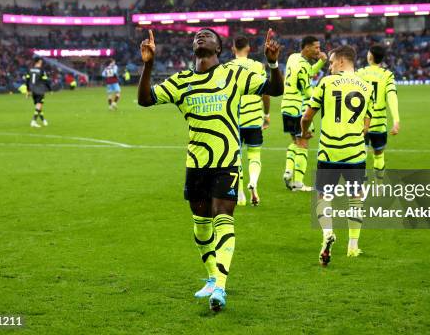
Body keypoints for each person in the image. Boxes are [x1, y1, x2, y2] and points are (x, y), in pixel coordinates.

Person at [137, 28, 284, 312]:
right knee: (201, 225)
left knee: (223, 217)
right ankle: (212, 276)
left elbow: (275, 89)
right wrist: (148, 64)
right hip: (196, 164)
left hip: (227, 161)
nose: (200, 37)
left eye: (208, 35)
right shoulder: (182, 81)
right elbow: (145, 99)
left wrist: (273, 64)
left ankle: (221, 287)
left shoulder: (234, 74)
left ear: (219, 48)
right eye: (196, 36)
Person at [301, 45, 373, 265]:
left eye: (331, 62)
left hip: (329, 151)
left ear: (341, 61)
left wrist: (305, 132)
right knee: (356, 197)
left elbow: (307, 117)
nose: (329, 66)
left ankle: (327, 234)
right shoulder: (366, 86)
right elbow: (366, 124)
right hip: (355, 152)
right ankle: (353, 246)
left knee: (324, 197)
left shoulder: (326, 83)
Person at [281, 36, 327, 191]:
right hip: (298, 108)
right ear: (306, 47)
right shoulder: (303, 65)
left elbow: (307, 73)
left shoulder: (293, 58)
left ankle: (288, 170)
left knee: (295, 142)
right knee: (303, 143)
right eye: (316, 48)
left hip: (286, 106)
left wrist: (321, 62)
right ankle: (299, 183)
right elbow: (308, 92)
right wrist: (323, 96)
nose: (318, 51)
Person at [229, 35, 271, 206]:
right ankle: (253, 181)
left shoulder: (227, 67)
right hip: (254, 117)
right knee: (254, 155)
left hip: (235, 119)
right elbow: (265, 91)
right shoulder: (257, 66)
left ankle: (239, 194)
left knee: (235, 157)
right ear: (248, 49)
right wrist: (266, 115)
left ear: (233, 49)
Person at [356, 44, 399, 183]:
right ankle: (379, 185)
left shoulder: (360, 73)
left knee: (360, 154)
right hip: (379, 122)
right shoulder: (387, 75)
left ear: (370, 56)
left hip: (361, 122)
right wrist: (396, 120)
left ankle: (358, 186)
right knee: (379, 154)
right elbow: (392, 97)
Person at [25, 58, 52, 128]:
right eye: (41, 62)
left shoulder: (30, 70)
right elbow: (46, 80)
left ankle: (43, 120)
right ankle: (33, 121)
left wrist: (28, 91)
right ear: (39, 62)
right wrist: (50, 89)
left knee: (38, 106)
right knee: (39, 105)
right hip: (39, 89)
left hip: (32, 89)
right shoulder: (41, 70)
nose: (41, 63)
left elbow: (27, 80)